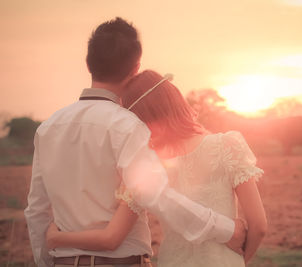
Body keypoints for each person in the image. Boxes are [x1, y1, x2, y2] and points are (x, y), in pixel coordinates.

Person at [24, 17, 246, 267]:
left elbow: (36, 211)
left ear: (89, 64)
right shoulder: (127, 126)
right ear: (135, 67)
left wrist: (45, 261)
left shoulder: (48, 128)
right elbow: (157, 195)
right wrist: (226, 230)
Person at [46, 70, 268, 266]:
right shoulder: (228, 145)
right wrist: (237, 261)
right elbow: (258, 226)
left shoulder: (145, 166)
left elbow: (111, 237)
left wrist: (58, 238)